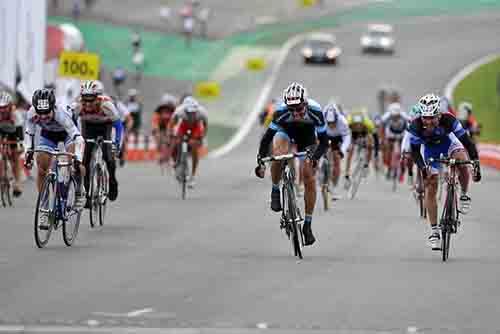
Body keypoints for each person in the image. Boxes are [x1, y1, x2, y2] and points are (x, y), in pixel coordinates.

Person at [255, 82, 328, 246]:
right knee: (279, 155)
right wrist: (261, 160)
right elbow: (266, 138)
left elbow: (324, 142)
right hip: (285, 132)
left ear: (306, 104)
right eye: (291, 109)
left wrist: (314, 157)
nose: (295, 113)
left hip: (307, 136)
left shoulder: (316, 112)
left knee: (309, 176)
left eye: (299, 108)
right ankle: (275, 190)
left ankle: (307, 225)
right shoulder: (280, 112)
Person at [408, 93, 481, 250]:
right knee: (430, 185)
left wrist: (475, 162)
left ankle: (464, 195)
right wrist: (423, 168)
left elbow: (467, 141)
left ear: (439, 114)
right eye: (425, 117)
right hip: (430, 151)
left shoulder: (449, 120)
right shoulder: (415, 125)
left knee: (461, 160)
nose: (428, 122)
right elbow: (415, 152)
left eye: (432, 117)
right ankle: (434, 231)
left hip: (449, 144)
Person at [24, 89, 85, 208]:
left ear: (53, 107)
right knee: (41, 167)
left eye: (47, 112)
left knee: (72, 163)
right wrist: (28, 154)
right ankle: (44, 206)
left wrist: (78, 158)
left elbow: (78, 138)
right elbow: (29, 136)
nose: (43, 116)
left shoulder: (61, 113)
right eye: (40, 112)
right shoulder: (31, 113)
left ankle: (79, 192)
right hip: (48, 134)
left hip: (68, 133)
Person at [71, 80, 123, 206]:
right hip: (88, 127)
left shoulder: (107, 105)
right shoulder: (77, 105)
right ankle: (87, 194)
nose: (88, 104)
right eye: (85, 99)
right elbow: (71, 125)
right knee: (85, 159)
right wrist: (75, 141)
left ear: (99, 98)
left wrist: (117, 143)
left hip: (105, 126)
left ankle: (112, 181)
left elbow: (119, 126)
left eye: (91, 99)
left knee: (108, 156)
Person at [167, 96, 207, 188]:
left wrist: (202, 137)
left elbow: (205, 126)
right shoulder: (179, 111)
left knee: (194, 146)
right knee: (176, 142)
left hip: (196, 127)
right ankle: (177, 161)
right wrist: (170, 135)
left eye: (193, 112)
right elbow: (171, 125)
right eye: (189, 112)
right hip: (183, 125)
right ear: (185, 109)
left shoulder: (202, 113)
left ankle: (193, 176)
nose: (191, 114)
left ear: (197, 110)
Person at [322, 102, 351, 198]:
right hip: (325, 136)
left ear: (337, 119)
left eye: (333, 123)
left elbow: (347, 137)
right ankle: (321, 170)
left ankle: (334, 185)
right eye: (329, 123)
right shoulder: (321, 119)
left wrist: (342, 150)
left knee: (337, 160)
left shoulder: (342, 121)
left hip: (338, 138)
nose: (331, 125)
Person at [0, 91, 25, 197]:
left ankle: (17, 183)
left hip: (14, 131)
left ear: (10, 105)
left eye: (5, 107)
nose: (3, 109)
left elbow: (20, 134)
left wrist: (20, 145)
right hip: (1, 129)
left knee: (16, 155)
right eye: (1, 107)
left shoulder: (16, 114)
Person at [344, 107, 375, 187]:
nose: (358, 127)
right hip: (353, 135)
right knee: (350, 151)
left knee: (370, 143)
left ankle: (366, 165)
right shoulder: (348, 123)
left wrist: (372, 146)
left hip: (365, 133)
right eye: (356, 125)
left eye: (359, 125)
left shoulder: (368, 124)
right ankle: (347, 174)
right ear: (352, 124)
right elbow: (345, 135)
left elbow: (373, 134)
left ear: (363, 123)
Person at [379, 102, 409, 181]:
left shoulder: (405, 116)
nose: (395, 117)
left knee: (404, 151)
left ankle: (402, 169)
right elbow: (381, 128)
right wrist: (383, 140)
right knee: (388, 149)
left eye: (397, 116)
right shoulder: (386, 117)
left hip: (402, 135)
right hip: (391, 134)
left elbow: (410, 128)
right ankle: (389, 167)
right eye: (393, 116)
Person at [152, 94, 178, 166]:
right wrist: (156, 131)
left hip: (170, 125)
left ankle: (169, 156)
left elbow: (176, 123)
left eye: (169, 106)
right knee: (158, 137)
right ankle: (160, 153)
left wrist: (170, 133)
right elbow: (155, 122)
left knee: (173, 139)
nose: (167, 108)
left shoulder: (175, 110)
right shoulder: (158, 111)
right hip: (160, 126)